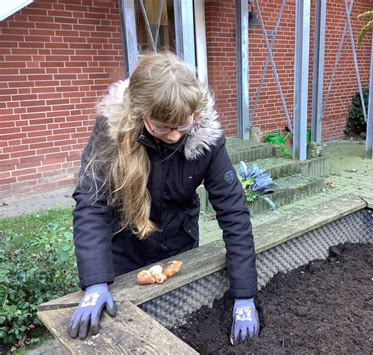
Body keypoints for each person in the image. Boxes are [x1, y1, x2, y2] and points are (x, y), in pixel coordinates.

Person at [67, 51, 260, 345]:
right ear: (140, 114)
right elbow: (91, 204)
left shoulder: (205, 138)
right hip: (125, 254)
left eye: (181, 125)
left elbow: (233, 213)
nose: (173, 137)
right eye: (162, 127)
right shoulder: (111, 132)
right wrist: (95, 281)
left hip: (179, 248)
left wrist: (244, 296)